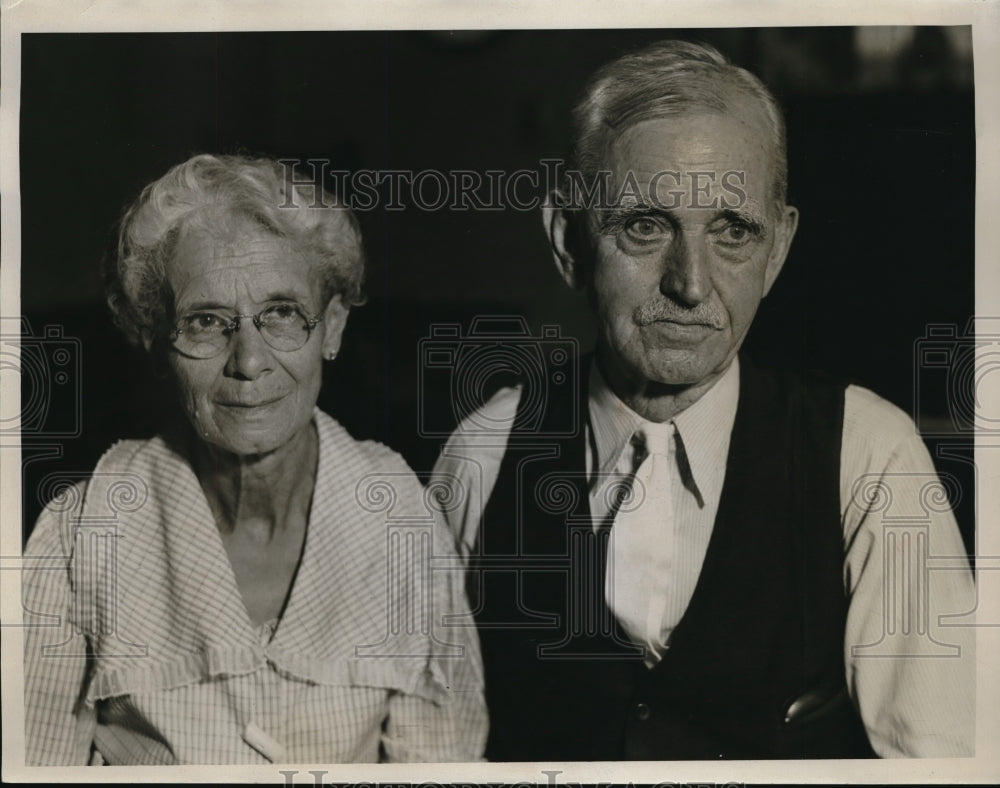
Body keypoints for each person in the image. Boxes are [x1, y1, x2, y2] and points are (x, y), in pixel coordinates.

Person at [432, 40, 975, 760]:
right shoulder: (486, 449)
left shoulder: (870, 457)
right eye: (645, 226)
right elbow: (424, 746)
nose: (690, 284)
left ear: (777, 251)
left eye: (732, 232)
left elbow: (941, 764)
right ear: (569, 242)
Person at [22, 154, 487, 765]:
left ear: (334, 328)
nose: (249, 361)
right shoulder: (80, 534)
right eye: (206, 321)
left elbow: (442, 769)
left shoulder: (404, 522)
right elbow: (32, 768)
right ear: (156, 342)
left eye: (283, 314)